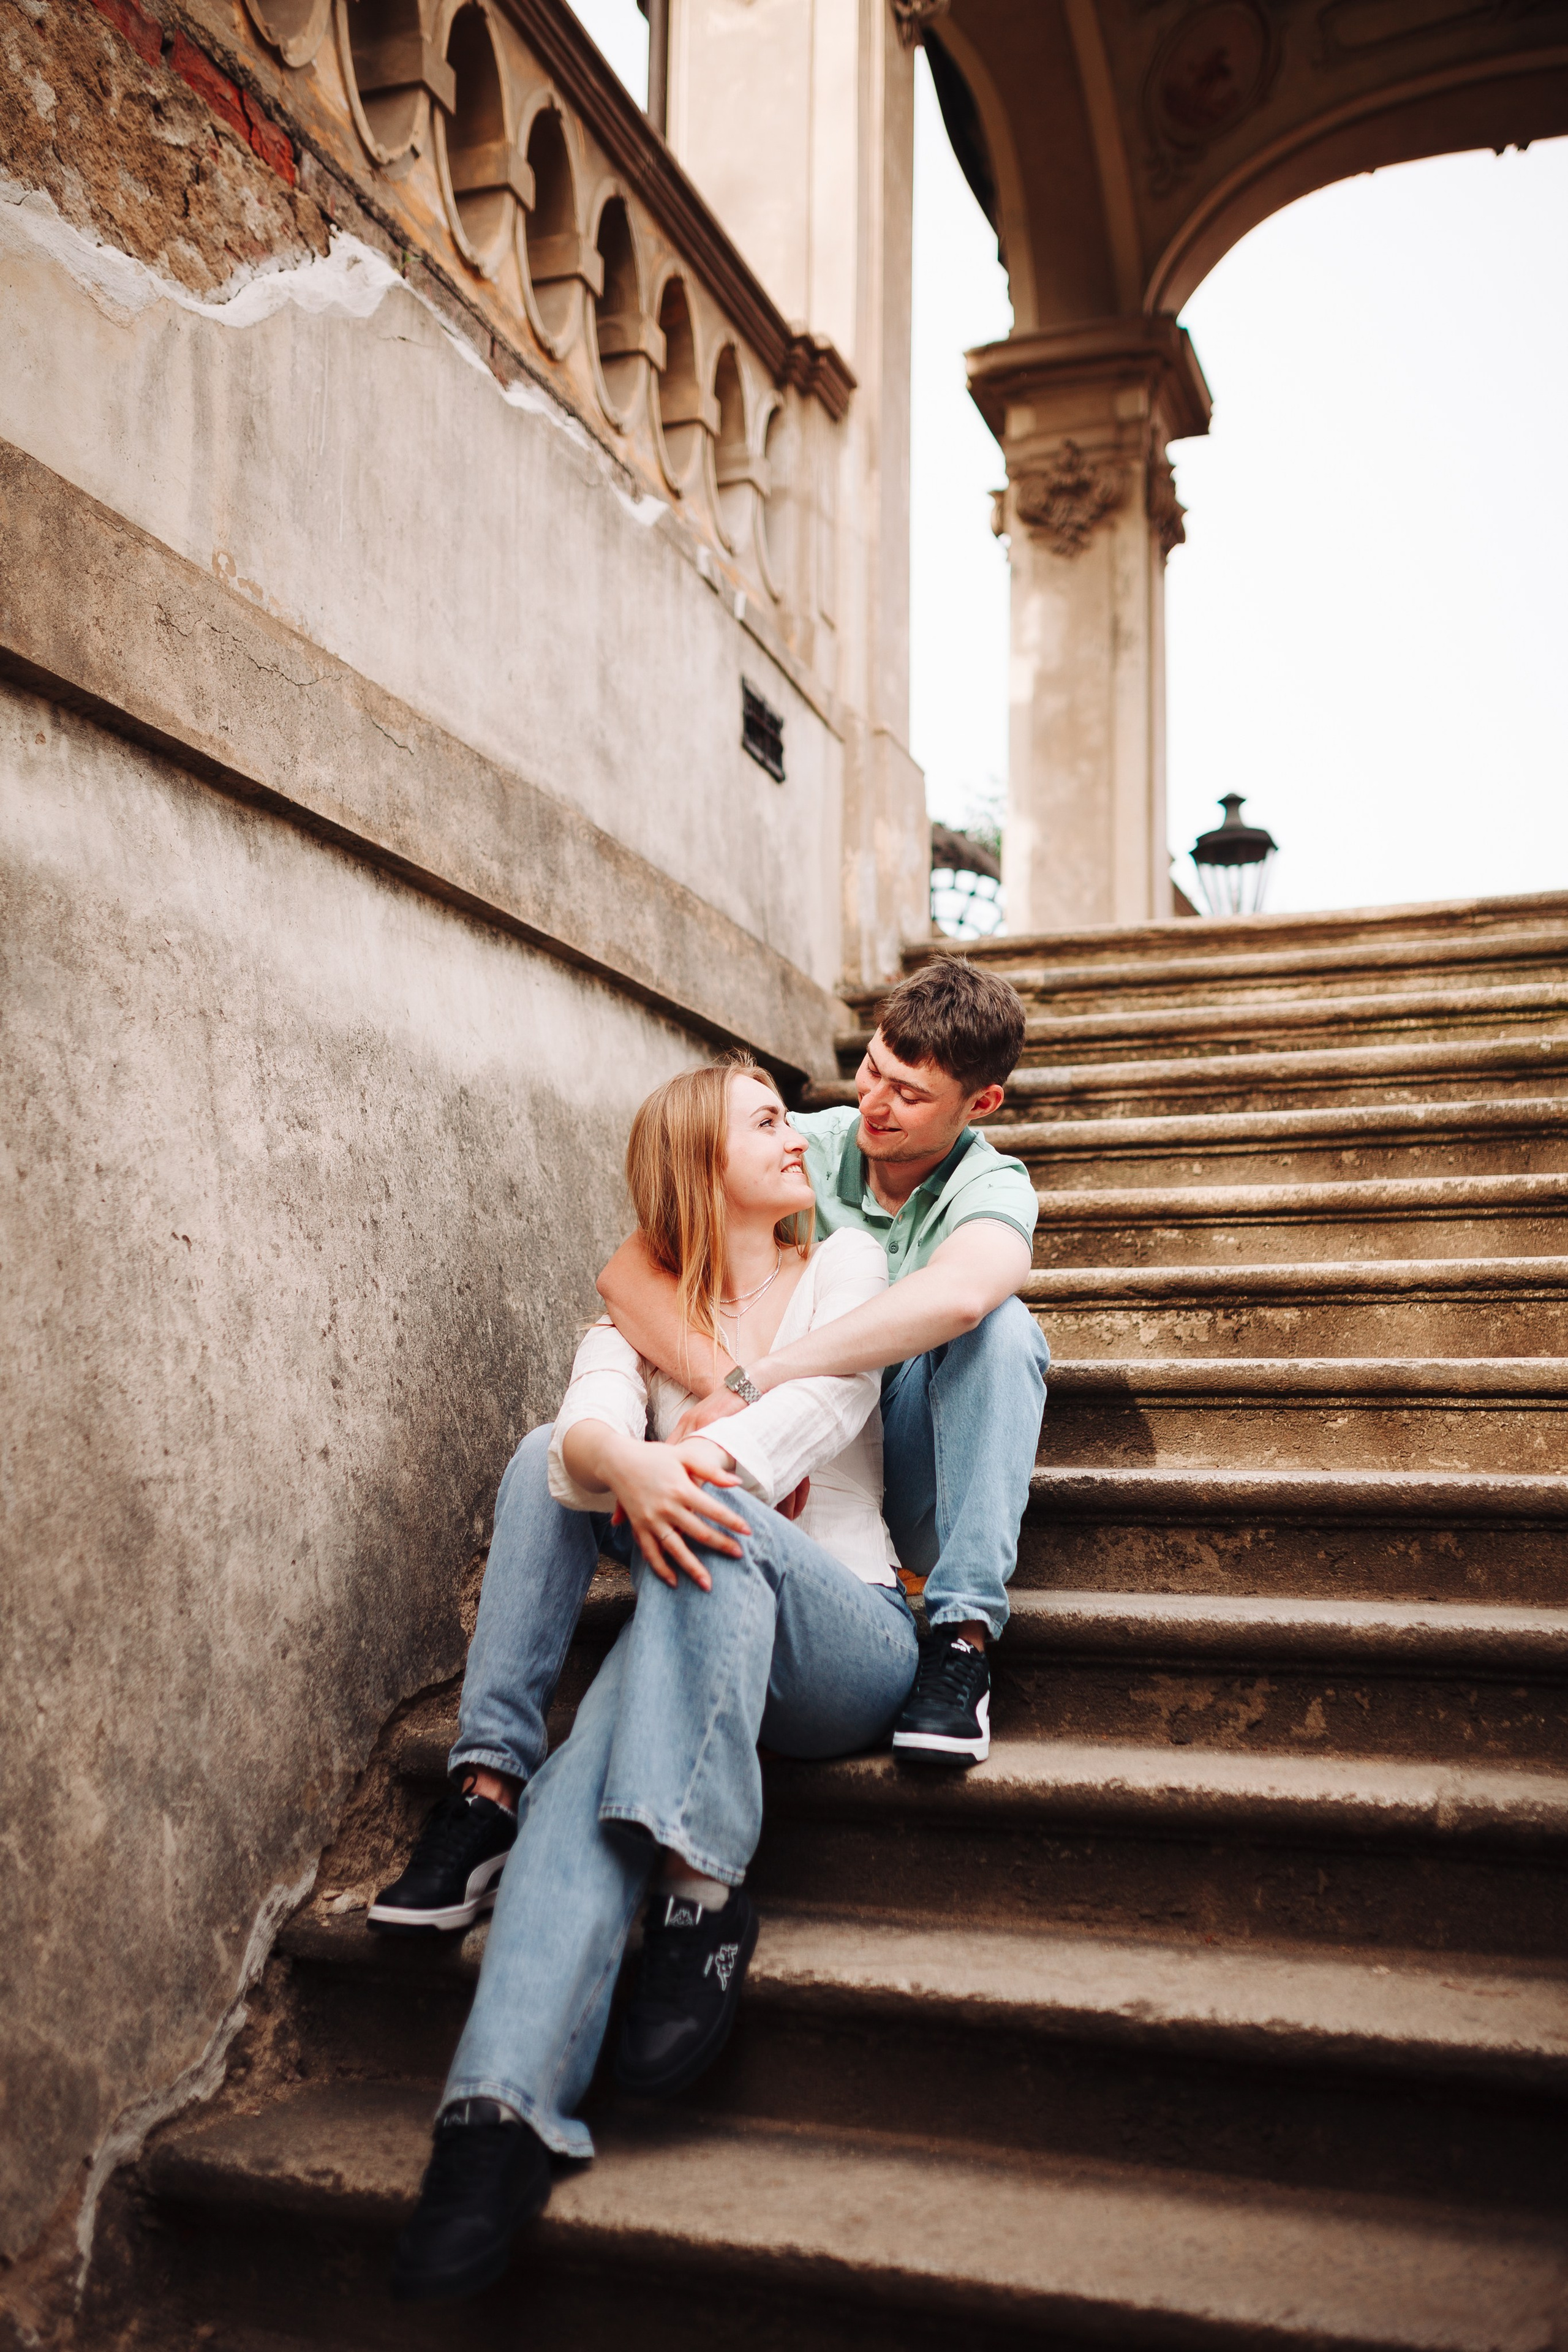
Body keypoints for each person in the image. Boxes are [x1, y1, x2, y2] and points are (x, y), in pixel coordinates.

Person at [368, 959, 1046, 1950]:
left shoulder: (991, 1184)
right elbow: (628, 1270)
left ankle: (962, 1639)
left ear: (978, 1104)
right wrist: (726, 1376)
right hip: (773, 1447)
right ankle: (487, 1791)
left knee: (1003, 1330)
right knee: (547, 1453)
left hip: (913, 1438)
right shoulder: (817, 1138)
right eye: (871, 1069)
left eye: (910, 1093)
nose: (874, 1103)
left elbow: (951, 1301)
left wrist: (762, 1384)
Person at [387, 1058, 921, 2302]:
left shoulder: (842, 1272)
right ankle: (492, 2122)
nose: (802, 1135)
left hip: (844, 1634)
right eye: (766, 1120)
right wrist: (615, 1463)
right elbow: (576, 1435)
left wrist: (658, 1469)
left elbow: (808, 1422)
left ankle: (703, 1880)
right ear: (698, 1163)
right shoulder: (638, 1317)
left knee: (707, 1504)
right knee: (581, 1780)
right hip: (694, 1626)